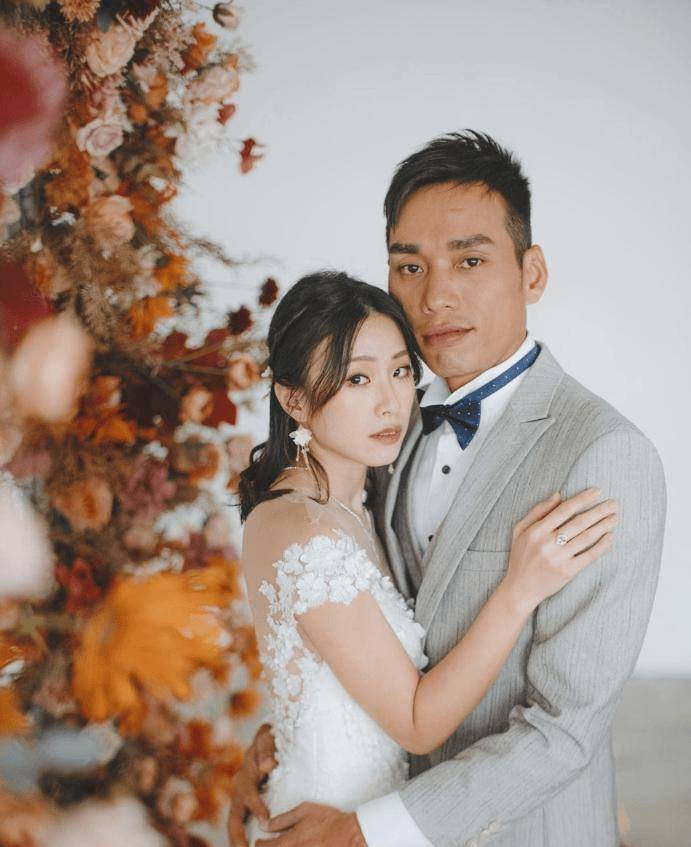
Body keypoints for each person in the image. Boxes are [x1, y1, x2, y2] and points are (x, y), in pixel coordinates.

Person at [230, 132, 666, 847]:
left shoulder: (602, 454)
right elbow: (361, 634)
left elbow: (563, 729)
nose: (435, 296)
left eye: (469, 260)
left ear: (531, 273)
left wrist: (368, 830)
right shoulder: (388, 431)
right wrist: (294, 732)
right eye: (410, 266)